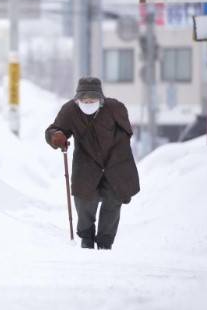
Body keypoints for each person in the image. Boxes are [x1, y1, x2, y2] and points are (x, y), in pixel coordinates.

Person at [44, 77, 140, 250]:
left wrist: (117, 152)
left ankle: (105, 243)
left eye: (92, 100)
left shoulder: (115, 108)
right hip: (86, 164)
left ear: (101, 100)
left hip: (114, 163)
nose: (88, 103)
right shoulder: (70, 111)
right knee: (84, 201)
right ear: (77, 99)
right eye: (84, 100)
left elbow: (127, 132)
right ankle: (86, 240)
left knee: (113, 201)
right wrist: (56, 137)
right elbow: (53, 130)